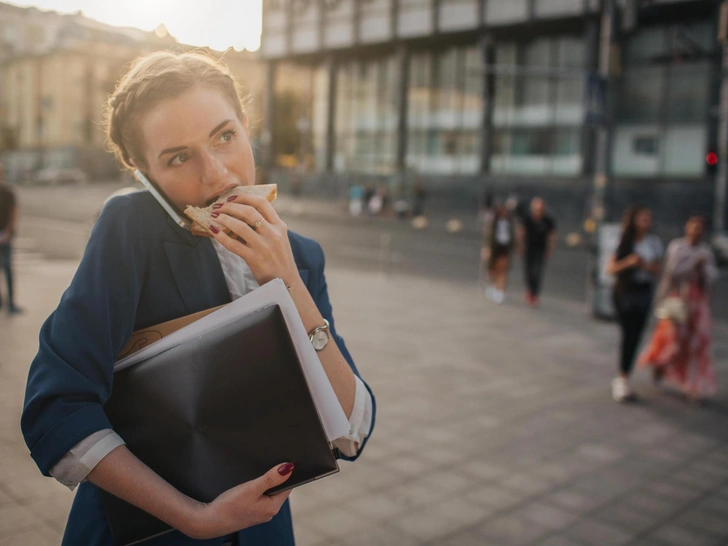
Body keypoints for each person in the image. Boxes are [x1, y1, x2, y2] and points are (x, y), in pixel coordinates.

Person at [20, 52, 375, 546]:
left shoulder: (300, 256)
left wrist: (287, 282)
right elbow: (54, 408)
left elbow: (351, 432)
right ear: (142, 172)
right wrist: (195, 517)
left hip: (264, 534)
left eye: (225, 136)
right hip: (146, 532)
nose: (217, 175)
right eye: (178, 157)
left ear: (247, 126)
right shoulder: (131, 231)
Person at [639, 215, 718, 402]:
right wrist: (693, 264)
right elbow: (672, 271)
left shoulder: (705, 252)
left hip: (697, 302)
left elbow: (712, 277)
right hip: (678, 300)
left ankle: (694, 385)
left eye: (700, 226)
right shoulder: (677, 247)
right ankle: (660, 363)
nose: (696, 229)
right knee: (674, 340)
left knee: (698, 343)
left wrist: (702, 268)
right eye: (694, 225)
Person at [607, 205, 663, 402]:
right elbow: (611, 268)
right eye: (642, 218)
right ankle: (622, 378)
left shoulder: (653, 242)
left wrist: (645, 265)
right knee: (628, 334)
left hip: (643, 292)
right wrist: (630, 262)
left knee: (635, 334)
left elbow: (657, 269)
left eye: (649, 218)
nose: (646, 221)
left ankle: (623, 376)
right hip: (625, 292)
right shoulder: (623, 240)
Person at [517, 197, 557, 306]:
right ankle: (530, 291)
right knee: (528, 271)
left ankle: (535, 294)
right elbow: (521, 232)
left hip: (540, 250)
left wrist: (550, 249)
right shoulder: (527, 218)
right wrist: (520, 246)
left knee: (538, 272)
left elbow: (551, 236)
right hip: (529, 249)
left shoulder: (548, 220)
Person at [0, 162, 22, 314]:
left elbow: (14, 213)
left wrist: (8, 232)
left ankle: (11, 304)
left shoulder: (8, 191)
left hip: (5, 235)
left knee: (7, 268)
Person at [483, 204, 515, 304]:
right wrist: (487, 248)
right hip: (494, 248)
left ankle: (500, 291)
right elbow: (488, 236)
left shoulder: (510, 223)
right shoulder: (493, 222)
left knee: (502, 270)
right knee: (493, 270)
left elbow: (513, 236)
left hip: (504, 248)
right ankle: (491, 286)